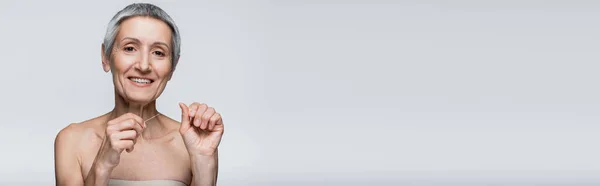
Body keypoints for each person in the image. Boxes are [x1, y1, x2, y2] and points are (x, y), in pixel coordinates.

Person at [54, 3, 224, 186]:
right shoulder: (72, 140)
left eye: (158, 52)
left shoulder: (191, 143)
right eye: (129, 48)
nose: (144, 66)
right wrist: (101, 166)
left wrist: (204, 161)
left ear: (173, 67)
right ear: (106, 57)